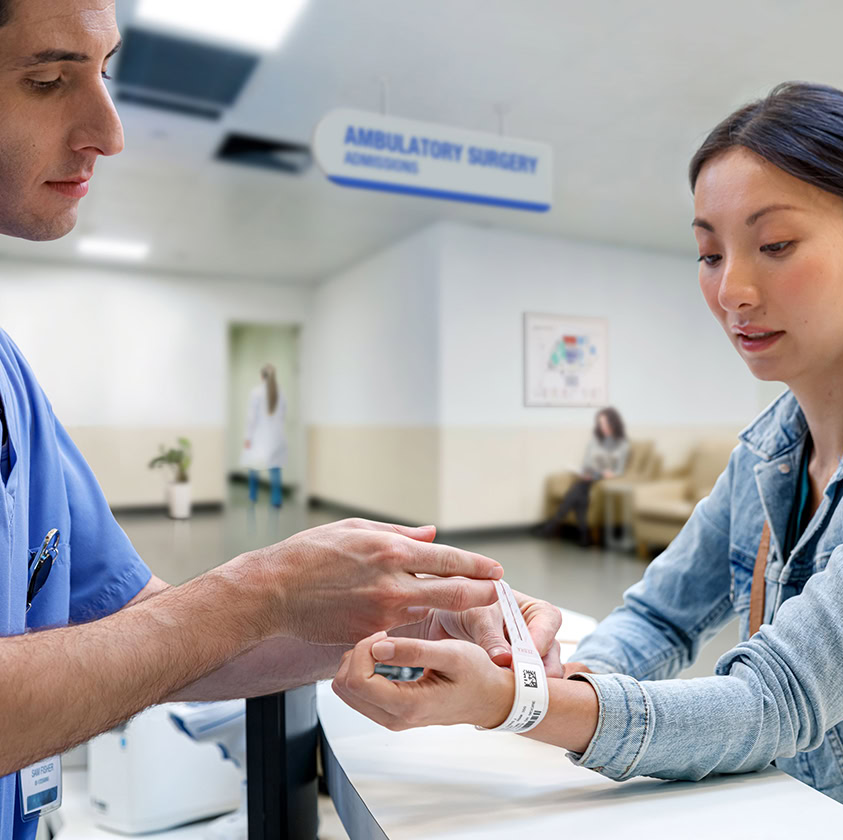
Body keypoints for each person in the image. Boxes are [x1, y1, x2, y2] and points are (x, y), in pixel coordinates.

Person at [0, 3, 563, 838]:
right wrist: (258, 589)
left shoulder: (9, 377)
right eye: (47, 80)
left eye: (104, 72)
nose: (109, 132)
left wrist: (380, 611)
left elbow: (138, 635)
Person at [333, 81, 843, 832]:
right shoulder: (767, 452)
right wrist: (543, 669)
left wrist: (520, 704)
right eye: (708, 252)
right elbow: (659, 620)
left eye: (775, 245)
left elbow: (774, 701)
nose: (732, 289)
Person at [538, 406, 630, 546]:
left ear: (614, 423)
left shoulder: (622, 444)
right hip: (590, 475)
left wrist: (608, 474)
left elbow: (619, 470)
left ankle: (553, 526)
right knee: (580, 494)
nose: (603, 427)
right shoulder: (595, 441)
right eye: (600, 423)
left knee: (577, 491)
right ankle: (583, 535)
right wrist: (587, 472)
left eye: (605, 423)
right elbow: (587, 462)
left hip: (604, 479)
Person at [241, 364, 287, 507]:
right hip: (277, 436)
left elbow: (251, 418)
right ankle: (276, 499)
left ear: (262, 376)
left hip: (259, 436)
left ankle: (253, 496)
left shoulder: (256, 393)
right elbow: (282, 415)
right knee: (275, 469)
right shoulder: (281, 392)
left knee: (254, 466)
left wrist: (248, 437)